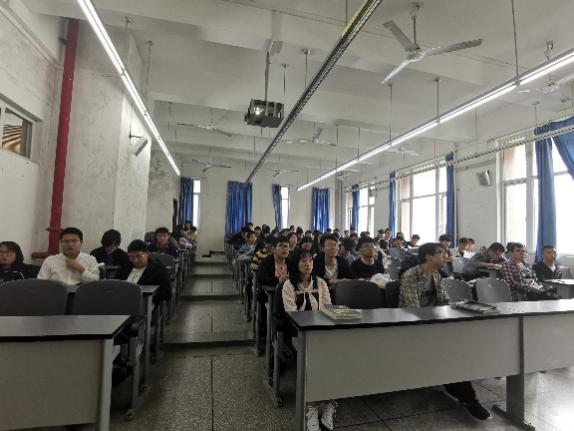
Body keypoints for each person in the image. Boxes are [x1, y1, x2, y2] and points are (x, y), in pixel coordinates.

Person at [399, 242, 491, 421]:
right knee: (451, 351)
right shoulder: (410, 275)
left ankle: (463, 393)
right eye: (441, 253)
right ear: (428, 257)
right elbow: (412, 308)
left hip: (434, 324)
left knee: (459, 346)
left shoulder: (436, 275)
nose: (446, 257)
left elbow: (444, 301)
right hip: (412, 325)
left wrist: (460, 307)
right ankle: (468, 399)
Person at [281, 249, 336, 430]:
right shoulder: (289, 285)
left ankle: (329, 404)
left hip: (321, 331)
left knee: (337, 356)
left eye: (310, 261)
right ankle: (312, 407)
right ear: (295, 264)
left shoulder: (320, 282)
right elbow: (291, 314)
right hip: (299, 332)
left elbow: (328, 308)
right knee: (315, 358)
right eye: (303, 261)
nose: (308, 264)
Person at [116, 240, 172, 305]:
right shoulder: (125, 267)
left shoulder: (157, 269)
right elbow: (116, 285)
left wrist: (148, 298)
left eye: (138, 256)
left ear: (147, 254)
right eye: (131, 257)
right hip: (121, 301)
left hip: (144, 304)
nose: (135, 260)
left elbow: (167, 292)